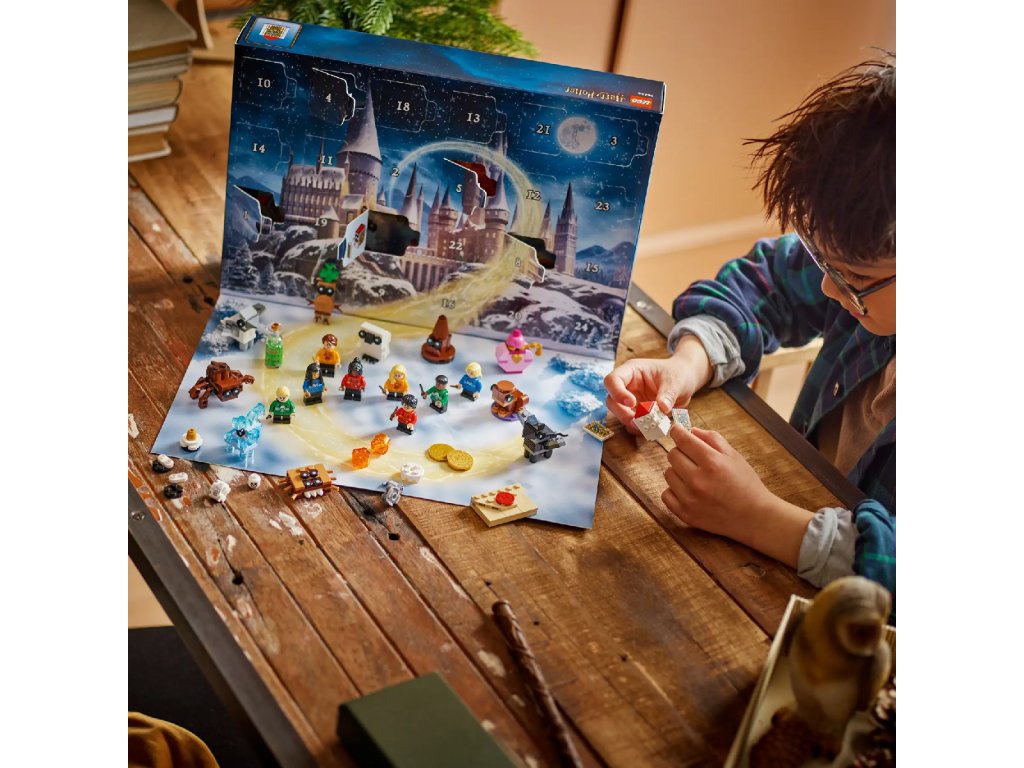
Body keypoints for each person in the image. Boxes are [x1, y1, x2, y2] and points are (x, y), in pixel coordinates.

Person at [605, 55, 895, 614]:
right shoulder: (867, 252)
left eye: (855, 280)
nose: (829, 289)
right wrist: (688, 363)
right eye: (823, 261)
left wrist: (760, 518)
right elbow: (768, 283)